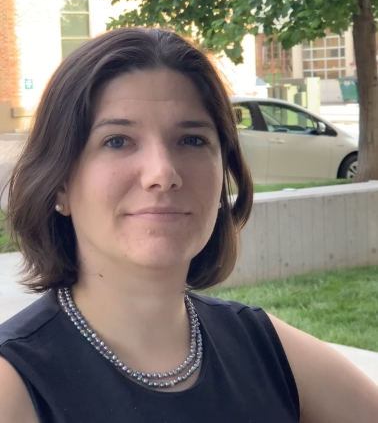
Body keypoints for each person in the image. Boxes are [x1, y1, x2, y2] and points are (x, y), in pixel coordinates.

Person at [0, 27, 376, 423]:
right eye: (117, 141)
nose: (163, 173)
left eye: (192, 140)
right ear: (59, 183)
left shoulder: (264, 347)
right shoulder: (15, 384)